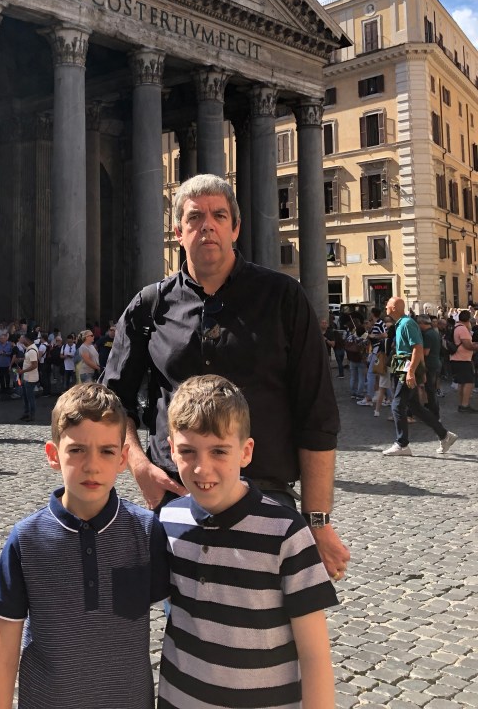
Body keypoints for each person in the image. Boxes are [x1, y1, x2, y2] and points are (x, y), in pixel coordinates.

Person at [105, 173, 349, 580]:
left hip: (265, 496)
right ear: (178, 232)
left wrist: (318, 520)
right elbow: (114, 401)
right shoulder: (150, 305)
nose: (208, 226)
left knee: (272, 618)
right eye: (195, 217)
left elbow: (317, 414)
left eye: (219, 216)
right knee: (183, 616)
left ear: (235, 228)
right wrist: (139, 466)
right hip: (177, 496)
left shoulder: (283, 298)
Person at [0, 383, 168, 709]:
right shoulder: (26, 540)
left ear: (123, 458)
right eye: (77, 450)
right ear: (54, 455)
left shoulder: (146, 531)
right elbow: (4, 653)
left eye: (106, 451)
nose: (92, 465)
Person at [159, 374, 337, 709]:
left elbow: (314, 653)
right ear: (171, 450)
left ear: (246, 452)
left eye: (219, 451)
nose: (202, 468)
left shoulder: (286, 532)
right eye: (187, 451)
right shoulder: (168, 520)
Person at [383, 297, 457, 457]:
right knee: (416, 407)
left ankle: (402, 444)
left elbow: (417, 347)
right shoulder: (401, 323)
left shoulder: (407, 324)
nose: (385, 307)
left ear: (394, 307)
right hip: (404, 367)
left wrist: (412, 372)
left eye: (387, 305)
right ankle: (444, 435)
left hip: (407, 368)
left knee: (397, 405)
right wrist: (420, 372)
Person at [450, 309, 477, 414]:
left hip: (458, 359)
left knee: (462, 383)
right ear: (468, 319)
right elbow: (468, 345)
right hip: (462, 359)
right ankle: (465, 405)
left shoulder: (456, 327)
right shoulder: (462, 329)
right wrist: (475, 346)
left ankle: (462, 404)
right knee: (469, 382)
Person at [17, 334, 39, 422]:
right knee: (26, 397)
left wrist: (23, 371)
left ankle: (32, 415)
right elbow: (29, 360)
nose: (21, 339)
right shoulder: (29, 349)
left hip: (30, 378)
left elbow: (34, 365)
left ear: (27, 340)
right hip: (27, 377)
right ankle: (27, 413)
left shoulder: (32, 350)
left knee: (30, 398)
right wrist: (22, 360)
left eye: (23, 338)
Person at [0, 331, 13, 397]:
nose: (1, 339)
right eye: (0, 338)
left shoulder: (9, 344)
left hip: (7, 363)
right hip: (0, 363)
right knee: (1, 376)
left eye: (2, 338)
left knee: (7, 376)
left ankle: (7, 388)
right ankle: (2, 388)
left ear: (5, 339)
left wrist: (6, 353)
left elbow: (11, 353)